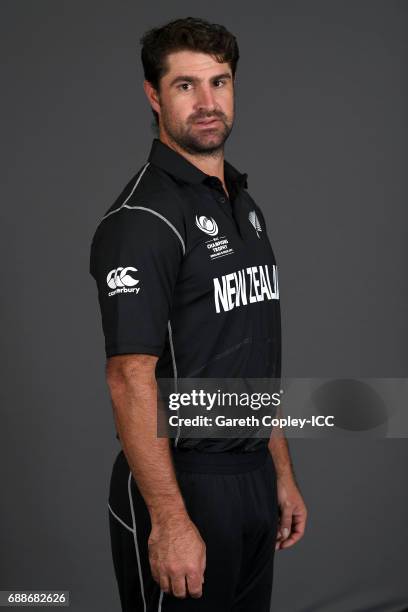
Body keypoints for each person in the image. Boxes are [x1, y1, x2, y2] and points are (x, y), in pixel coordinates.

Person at [89, 16, 307, 612]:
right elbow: (129, 379)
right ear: (154, 96)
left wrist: (278, 472)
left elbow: (252, 355)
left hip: (251, 480)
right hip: (182, 482)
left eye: (220, 81)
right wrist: (170, 520)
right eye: (187, 86)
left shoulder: (245, 206)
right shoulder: (142, 220)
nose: (208, 102)